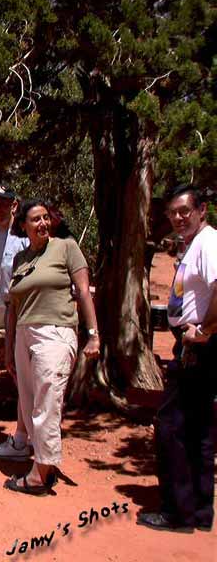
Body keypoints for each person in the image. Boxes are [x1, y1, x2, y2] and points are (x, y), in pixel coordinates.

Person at [3, 199, 99, 495]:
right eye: (35, 219)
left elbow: (83, 291)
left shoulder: (66, 247)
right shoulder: (20, 259)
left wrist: (93, 334)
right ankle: (45, 462)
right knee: (30, 401)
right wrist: (8, 349)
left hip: (55, 333)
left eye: (46, 217)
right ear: (23, 226)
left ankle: (39, 476)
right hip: (23, 334)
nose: (43, 223)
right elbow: (12, 307)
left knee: (48, 400)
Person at [137, 185, 217, 533]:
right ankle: (199, 510)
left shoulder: (209, 243)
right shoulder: (195, 245)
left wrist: (205, 330)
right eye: (173, 213)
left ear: (202, 210)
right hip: (196, 346)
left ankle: (177, 512)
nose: (178, 218)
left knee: (171, 426)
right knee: (199, 427)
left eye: (185, 210)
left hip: (199, 347)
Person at [0, 184, 31, 461]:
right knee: (16, 372)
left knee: (26, 376)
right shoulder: (0, 234)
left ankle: (24, 440)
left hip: (27, 311)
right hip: (11, 311)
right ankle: (23, 437)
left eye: (3, 203)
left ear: (15, 205)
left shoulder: (24, 236)